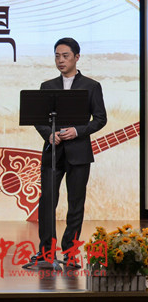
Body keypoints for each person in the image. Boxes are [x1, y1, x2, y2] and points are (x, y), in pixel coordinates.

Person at [31, 37, 107, 268]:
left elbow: (100, 119)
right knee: (47, 202)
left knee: (76, 204)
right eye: (57, 56)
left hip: (79, 153)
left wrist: (78, 131)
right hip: (53, 153)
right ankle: (46, 251)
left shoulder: (91, 86)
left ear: (77, 57)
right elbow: (39, 119)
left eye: (65, 56)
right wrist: (48, 134)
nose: (60, 60)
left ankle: (70, 251)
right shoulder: (47, 86)